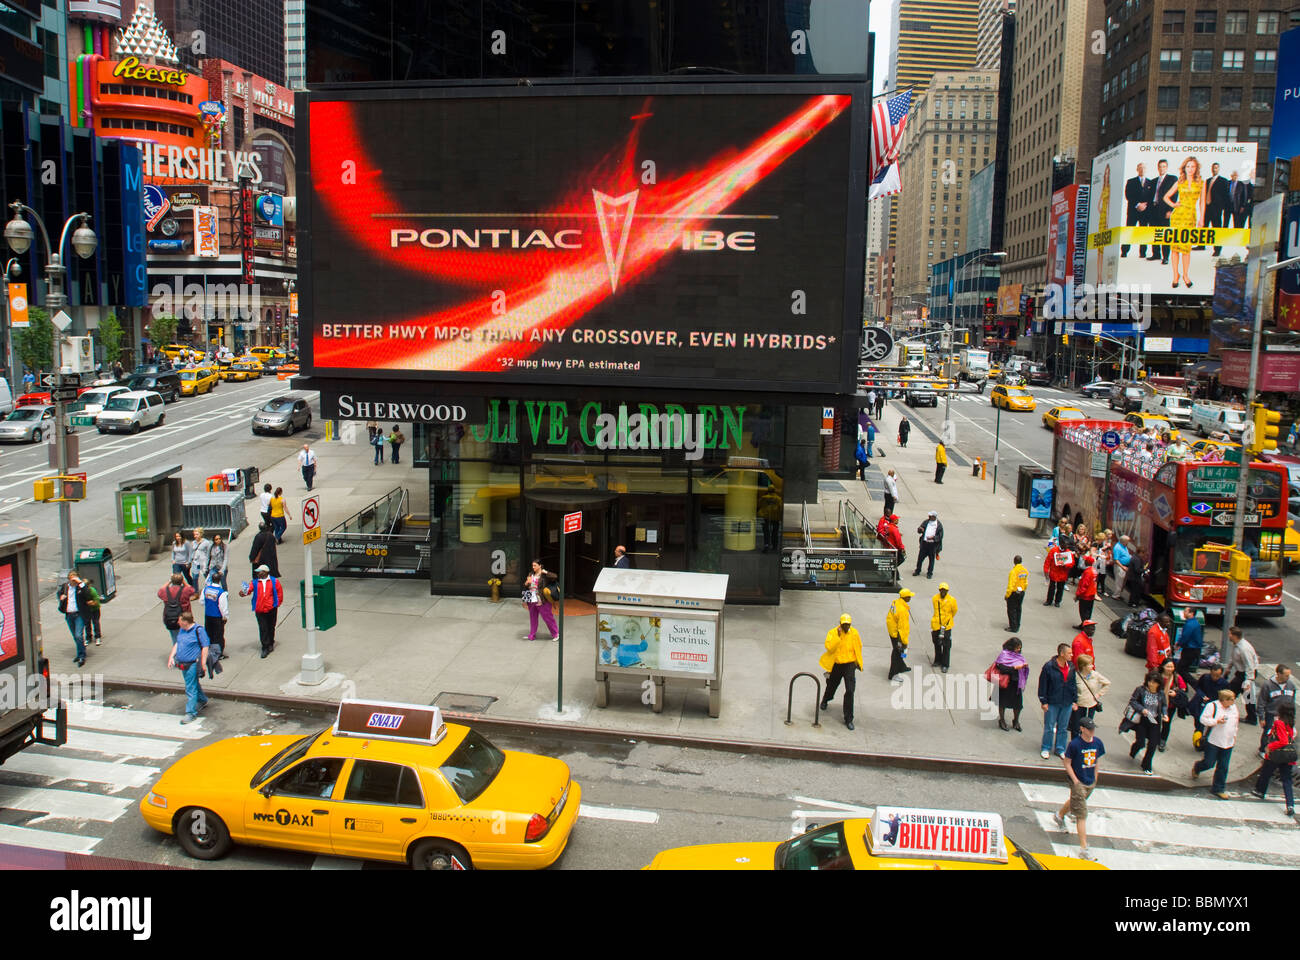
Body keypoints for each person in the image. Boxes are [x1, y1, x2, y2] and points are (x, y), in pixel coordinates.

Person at [1054, 716, 1105, 861]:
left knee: (1075, 802)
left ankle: (1059, 815)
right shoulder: (1075, 744)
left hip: (1090, 782)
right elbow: (1067, 762)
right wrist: (1075, 781)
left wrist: (1095, 777)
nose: (1092, 731)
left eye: (1093, 728)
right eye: (1089, 729)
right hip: (1079, 783)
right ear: (1082, 729)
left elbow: (1097, 761)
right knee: (1082, 815)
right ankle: (1084, 848)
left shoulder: (1097, 743)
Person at [1191, 689, 1240, 800]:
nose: (1233, 702)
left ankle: (1218, 788)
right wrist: (1216, 721)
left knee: (1223, 766)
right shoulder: (1212, 706)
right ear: (1224, 700)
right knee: (1209, 763)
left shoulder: (1234, 708)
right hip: (1214, 741)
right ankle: (1198, 767)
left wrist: (1234, 735)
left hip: (1228, 742)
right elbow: (1203, 719)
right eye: (1231, 700)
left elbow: (1235, 723)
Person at [818, 613, 864, 731]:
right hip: (837, 665)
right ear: (840, 624)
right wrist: (838, 637)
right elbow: (829, 648)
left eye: (848, 625)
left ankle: (849, 718)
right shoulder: (833, 633)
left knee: (850, 690)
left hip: (849, 665)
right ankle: (826, 699)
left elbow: (858, 647)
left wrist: (857, 663)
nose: (846, 627)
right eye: (844, 625)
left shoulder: (854, 633)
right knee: (832, 685)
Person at [1162, 159, 1202, 288]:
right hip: (1178, 216)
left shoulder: (1201, 182)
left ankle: (1185, 275)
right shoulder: (1179, 182)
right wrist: (1173, 204)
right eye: (1188, 166)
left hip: (1191, 216)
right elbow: (1166, 197)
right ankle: (1175, 275)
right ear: (1184, 168)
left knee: (1186, 248)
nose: (1190, 168)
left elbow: (1201, 203)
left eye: (1193, 166)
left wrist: (1202, 219)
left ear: (1196, 168)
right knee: (1174, 248)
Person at [1252, 702, 1296, 816]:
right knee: (1287, 780)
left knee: (1266, 772)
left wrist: (1269, 746)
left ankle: (1260, 791)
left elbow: (1282, 741)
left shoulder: (1279, 723)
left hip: (1275, 754)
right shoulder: (1291, 724)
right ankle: (1290, 804)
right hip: (1288, 756)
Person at [167, 611, 210, 724]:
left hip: (192, 664)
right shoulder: (182, 629)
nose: (178, 623)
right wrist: (171, 657)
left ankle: (191, 713)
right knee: (193, 683)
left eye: (180, 621)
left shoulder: (198, 630)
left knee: (190, 687)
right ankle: (202, 700)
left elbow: (205, 647)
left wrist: (203, 663)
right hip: (183, 664)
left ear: (185, 622)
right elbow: (178, 643)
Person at [1038, 643, 1078, 759]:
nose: (1072, 655)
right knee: (1049, 726)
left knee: (1063, 727)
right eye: (1069, 653)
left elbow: (1073, 684)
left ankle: (1060, 748)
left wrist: (1074, 700)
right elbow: (1043, 685)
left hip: (1067, 702)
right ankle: (1046, 747)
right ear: (1062, 654)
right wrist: (1043, 701)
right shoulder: (1049, 666)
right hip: (1052, 702)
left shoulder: (1071, 667)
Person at [1123, 671, 1167, 776]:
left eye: (1154, 682)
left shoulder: (1160, 693)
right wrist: (1142, 709)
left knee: (1152, 744)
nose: (1151, 684)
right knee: (1141, 742)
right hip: (1142, 719)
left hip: (1155, 721)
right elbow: (1133, 701)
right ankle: (1134, 750)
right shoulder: (1141, 690)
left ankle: (1146, 765)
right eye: (1150, 681)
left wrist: (1165, 714)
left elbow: (1164, 705)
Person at [240, 564, 283, 658]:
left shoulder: (274, 581)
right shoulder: (254, 582)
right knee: (263, 628)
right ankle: (265, 647)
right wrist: (243, 593)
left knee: (271, 626)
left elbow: (279, 593)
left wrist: (277, 604)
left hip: (271, 608)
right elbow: (248, 590)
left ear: (266, 572)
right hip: (260, 609)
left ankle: (271, 642)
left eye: (260, 571)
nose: (258, 573)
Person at [1257, 664, 1298, 759]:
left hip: (1285, 715)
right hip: (1271, 714)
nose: (1288, 677)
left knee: (1285, 734)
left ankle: (1278, 748)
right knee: (1268, 732)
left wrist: (1292, 715)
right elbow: (1261, 702)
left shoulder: (1291, 685)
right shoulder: (1268, 685)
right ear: (1279, 674)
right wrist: (1261, 717)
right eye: (1286, 675)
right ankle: (1263, 749)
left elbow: (1292, 700)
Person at [1189, 663, 1230, 749]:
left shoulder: (1224, 683)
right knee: (1199, 724)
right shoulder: (1205, 678)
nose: (1215, 678)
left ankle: (1206, 742)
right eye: (1213, 675)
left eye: (1217, 676)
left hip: (1215, 707)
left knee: (1211, 726)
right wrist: (1202, 695)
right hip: (1202, 704)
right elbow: (1197, 687)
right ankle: (1198, 742)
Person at [1071, 654, 1111, 739]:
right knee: (1076, 727)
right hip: (1079, 705)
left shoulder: (1095, 675)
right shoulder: (1075, 676)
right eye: (1089, 664)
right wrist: (1072, 702)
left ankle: (1084, 742)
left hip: (1091, 705)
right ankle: (1074, 744)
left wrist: (1098, 694)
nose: (1092, 666)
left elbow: (1107, 683)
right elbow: (1070, 689)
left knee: (1088, 727)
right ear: (1083, 666)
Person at [56, 572, 92, 667]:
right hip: (69, 615)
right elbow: (59, 593)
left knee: (78, 635)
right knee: (75, 636)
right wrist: (61, 597)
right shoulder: (65, 587)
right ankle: (80, 651)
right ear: (68, 579)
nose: (73, 581)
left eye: (75, 579)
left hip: (79, 614)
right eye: (72, 580)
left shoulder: (80, 587)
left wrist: (80, 583)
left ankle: (81, 656)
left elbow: (88, 595)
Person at [994, 637, 1030, 731]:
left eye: (1020, 648)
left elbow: (1021, 665)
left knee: (1017, 705)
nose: (1019, 650)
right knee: (1002, 703)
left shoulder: (1019, 656)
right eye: (1017, 648)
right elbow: (1002, 669)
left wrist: (1023, 666)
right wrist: (1014, 668)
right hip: (1005, 683)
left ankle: (1016, 721)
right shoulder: (1004, 655)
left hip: (1016, 684)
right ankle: (1002, 720)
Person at [1226, 626, 1259, 724]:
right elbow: (1234, 657)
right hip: (1242, 673)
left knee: (1231, 692)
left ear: (1234, 636)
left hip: (1245, 674)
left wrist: (1248, 681)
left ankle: (1225, 708)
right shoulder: (1237, 645)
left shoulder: (1244, 649)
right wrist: (1229, 667)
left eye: (1230, 634)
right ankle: (1252, 717)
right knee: (1247, 696)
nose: (1229, 636)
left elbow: (1250, 665)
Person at [1121, 161, 1153, 259]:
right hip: (1133, 211)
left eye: (1144, 168)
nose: (1142, 169)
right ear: (1137, 169)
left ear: (1146, 170)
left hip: (1145, 212)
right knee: (1129, 231)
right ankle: (1124, 251)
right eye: (1140, 168)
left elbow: (1152, 197)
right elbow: (1128, 195)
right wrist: (1137, 204)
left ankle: (1143, 253)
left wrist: (1145, 205)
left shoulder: (1150, 182)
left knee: (1143, 232)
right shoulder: (1131, 181)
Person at [1147, 157, 1176, 264]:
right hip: (1153, 209)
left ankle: (1166, 257)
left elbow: (1174, 195)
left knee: (1165, 234)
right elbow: (1150, 196)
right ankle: (1156, 254)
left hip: (1164, 210)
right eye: (1160, 167)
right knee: (1154, 233)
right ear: (1157, 168)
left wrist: (1170, 210)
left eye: (1164, 166)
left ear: (1167, 167)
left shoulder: (1172, 179)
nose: (1162, 168)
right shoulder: (1154, 181)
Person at [522, 560, 559, 641]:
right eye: (532, 565)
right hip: (531, 599)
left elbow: (555, 576)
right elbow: (526, 585)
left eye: (535, 565)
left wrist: (546, 572)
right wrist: (527, 583)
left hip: (541, 599)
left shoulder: (544, 575)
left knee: (547, 617)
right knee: (533, 617)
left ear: (540, 566)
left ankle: (556, 633)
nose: (533, 567)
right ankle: (532, 635)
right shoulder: (531, 574)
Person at [1157, 657, 1189, 751]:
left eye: (1172, 667)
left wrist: (1176, 693)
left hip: (1170, 705)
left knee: (1166, 723)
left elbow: (1183, 689)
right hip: (1157, 703)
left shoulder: (1176, 677)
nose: (1170, 669)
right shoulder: (1158, 676)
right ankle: (1154, 738)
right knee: (1156, 722)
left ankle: (1162, 740)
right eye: (1168, 666)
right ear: (1163, 667)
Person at [157, 572, 196, 645]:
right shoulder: (185, 590)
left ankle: (177, 652)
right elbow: (192, 590)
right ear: (181, 582)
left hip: (170, 617)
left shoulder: (165, 591)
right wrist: (184, 581)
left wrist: (169, 581)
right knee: (187, 637)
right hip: (185, 617)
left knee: (175, 638)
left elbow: (160, 591)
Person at [201, 570, 229, 663]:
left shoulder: (206, 589)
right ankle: (218, 653)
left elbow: (202, 601)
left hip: (208, 615)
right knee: (218, 635)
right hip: (217, 617)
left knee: (209, 633)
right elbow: (223, 607)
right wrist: (225, 617)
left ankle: (209, 651)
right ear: (219, 580)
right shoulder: (221, 592)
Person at [886, 589, 914, 683]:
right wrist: (904, 642)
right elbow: (903, 628)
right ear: (905, 597)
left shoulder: (896, 602)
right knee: (897, 653)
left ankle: (902, 667)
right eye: (909, 596)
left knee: (897, 652)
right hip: (897, 635)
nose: (910, 598)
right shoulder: (902, 610)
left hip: (892, 631)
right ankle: (893, 674)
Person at [929, 583, 956, 673]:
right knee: (936, 643)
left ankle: (945, 664)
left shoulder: (952, 600)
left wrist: (947, 619)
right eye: (941, 590)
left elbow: (954, 611)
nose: (943, 591)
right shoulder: (935, 598)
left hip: (946, 626)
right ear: (939, 590)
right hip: (936, 624)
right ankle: (937, 660)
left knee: (946, 645)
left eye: (945, 590)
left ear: (947, 591)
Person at [1204, 161, 1230, 256]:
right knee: (1204, 226)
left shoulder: (1223, 181)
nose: (1214, 169)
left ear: (1218, 169)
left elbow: (1226, 196)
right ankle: (1201, 245)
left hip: (1216, 209)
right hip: (1207, 207)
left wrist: (1222, 208)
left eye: (1216, 168)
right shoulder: (1207, 181)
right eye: (1213, 167)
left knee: (1217, 229)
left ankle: (1217, 249)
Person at [1175, 608, 1203, 685]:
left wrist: (1178, 644)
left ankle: (1195, 684)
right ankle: (1184, 686)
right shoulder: (1194, 622)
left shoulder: (1190, 624)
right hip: (1193, 649)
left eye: (1185, 611)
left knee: (1181, 669)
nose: (1183, 613)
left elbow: (1185, 636)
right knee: (1184, 668)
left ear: (1191, 613)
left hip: (1190, 649)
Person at [912, 510, 943, 579]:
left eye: (930, 516)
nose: (929, 516)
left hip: (932, 545)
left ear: (934, 517)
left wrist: (933, 538)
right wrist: (920, 529)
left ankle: (929, 573)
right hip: (925, 544)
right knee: (920, 558)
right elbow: (920, 529)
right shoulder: (926, 522)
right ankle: (918, 570)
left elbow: (940, 536)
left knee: (931, 560)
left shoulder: (939, 525)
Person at [1042, 538, 1071, 607]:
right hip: (1054, 573)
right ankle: (1049, 600)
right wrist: (1046, 571)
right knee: (1051, 588)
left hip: (1062, 574)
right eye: (1065, 544)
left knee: (1060, 589)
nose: (1066, 546)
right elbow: (1048, 561)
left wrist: (1065, 565)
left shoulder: (1068, 552)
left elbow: (1071, 563)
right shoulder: (1054, 550)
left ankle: (1057, 601)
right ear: (1061, 544)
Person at [1004, 555, 1028, 632]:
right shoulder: (1024, 571)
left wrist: (1007, 595)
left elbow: (1011, 585)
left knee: (1011, 610)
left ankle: (1013, 627)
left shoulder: (1013, 571)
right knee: (1018, 609)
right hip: (1021, 592)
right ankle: (1017, 625)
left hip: (1014, 593)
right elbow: (1026, 582)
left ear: (1014, 561)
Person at [1074, 556, 1097, 627]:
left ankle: (1085, 626)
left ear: (1086, 562)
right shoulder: (1094, 571)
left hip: (1085, 596)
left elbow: (1084, 585)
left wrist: (1078, 595)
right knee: (1088, 612)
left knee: (1083, 612)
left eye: (1085, 560)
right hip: (1091, 595)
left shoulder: (1087, 572)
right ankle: (1084, 625)